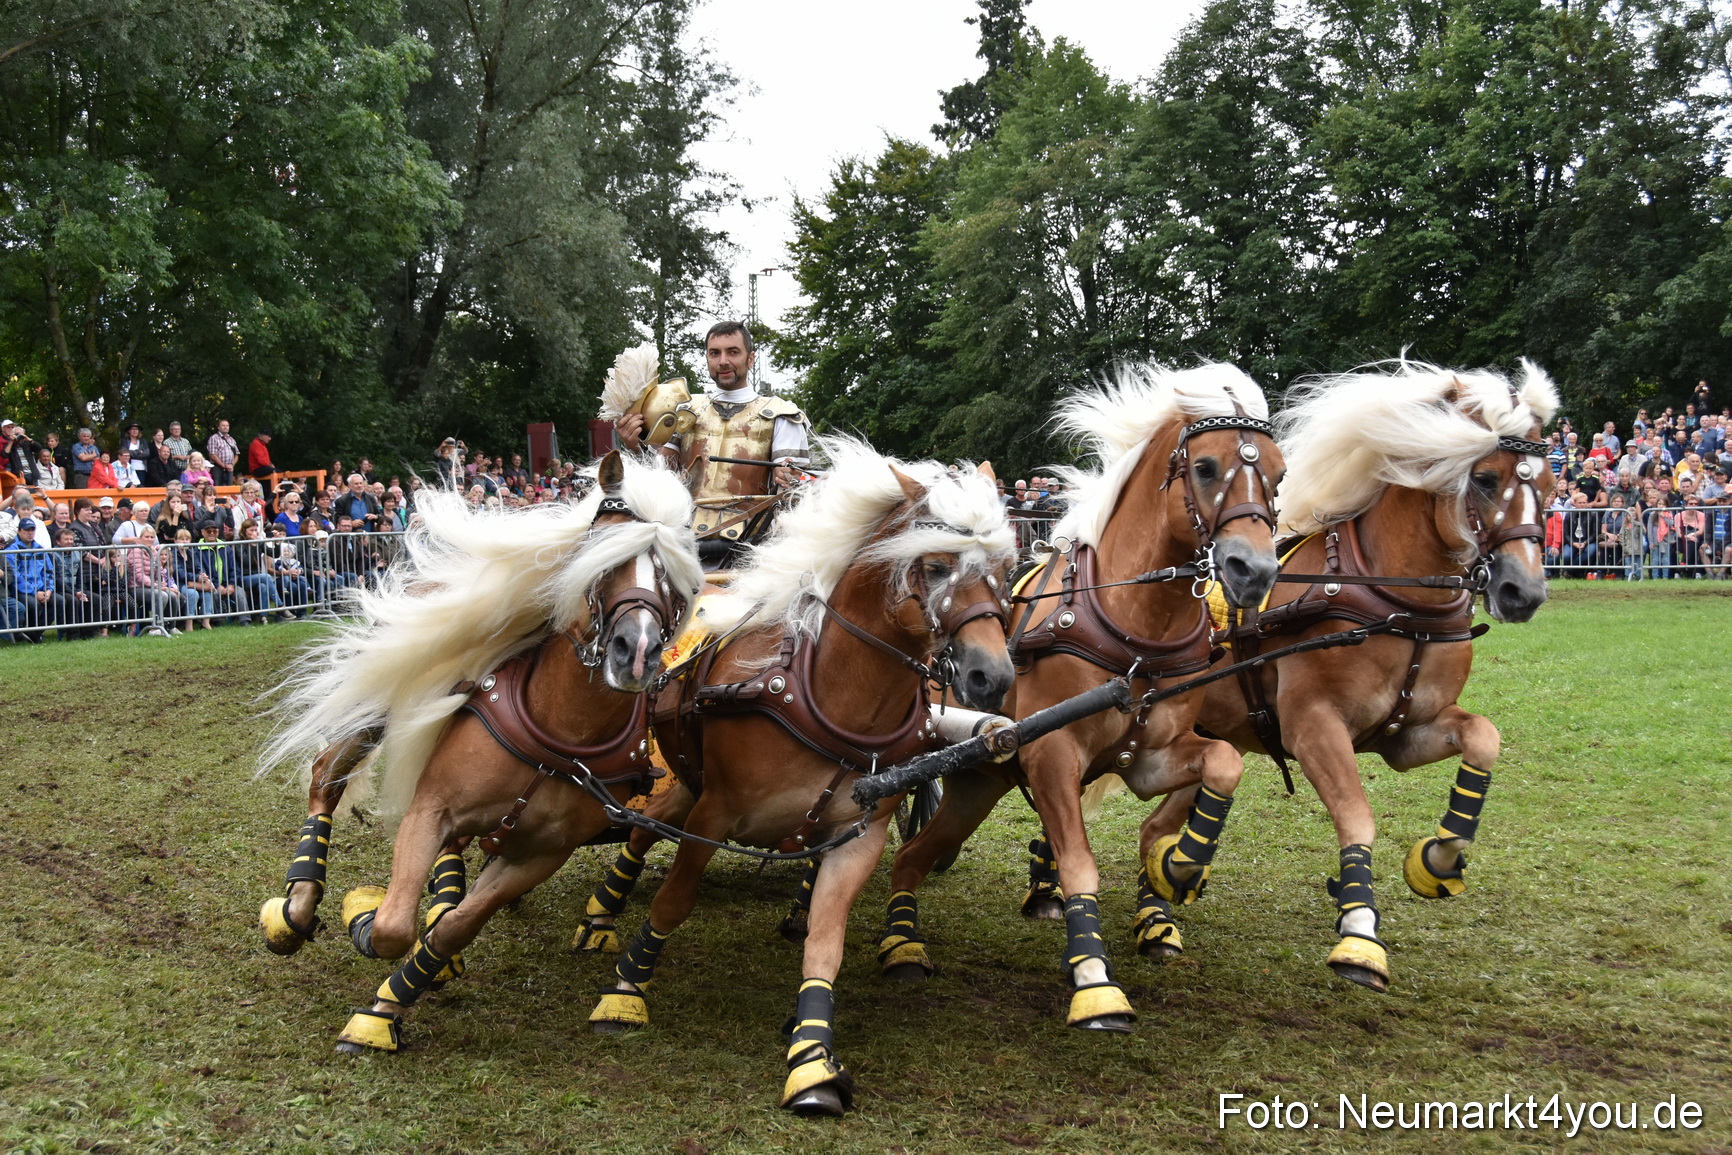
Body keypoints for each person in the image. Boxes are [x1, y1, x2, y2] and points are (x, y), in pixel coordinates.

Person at [610, 323, 809, 565]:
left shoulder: (781, 415)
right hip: (683, 542)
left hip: (752, 549)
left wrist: (787, 477)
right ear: (707, 358)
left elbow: (792, 498)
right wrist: (634, 446)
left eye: (733, 352)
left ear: (751, 358)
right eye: (715, 353)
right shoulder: (682, 409)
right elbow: (662, 474)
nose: (723, 361)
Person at [3, 518, 61, 641]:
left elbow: (49, 572)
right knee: (32, 604)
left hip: (42, 589)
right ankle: (33, 634)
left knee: (59, 601)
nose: (30, 533)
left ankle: (34, 634)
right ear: (19, 531)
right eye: (27, 530)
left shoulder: (40, 549)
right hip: (21, 590)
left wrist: (48, 590)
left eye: (32, 530)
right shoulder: (12, 551)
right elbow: (15, 576)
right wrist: (34, 593)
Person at [206, 419, 239, 486]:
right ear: (218, 427)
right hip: (217, 467)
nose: (225, 427)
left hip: (229, 468)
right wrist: (223, 466)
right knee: (218, 487)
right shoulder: (214, 438)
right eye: (223, 425)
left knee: (229, 488)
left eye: (227, 425)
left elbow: (237, 454)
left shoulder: (231, 439)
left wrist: (232, 465)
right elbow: (213, 455)